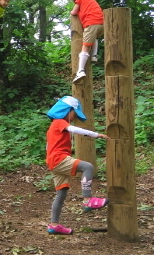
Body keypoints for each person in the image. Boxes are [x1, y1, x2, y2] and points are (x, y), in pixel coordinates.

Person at [45, 96, 110, 235]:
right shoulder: (59, 122)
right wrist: (96, 134)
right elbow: (74, 129)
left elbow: (48, 145)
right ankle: (87, 200)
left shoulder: (52, 127)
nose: (74, 117)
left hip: (52, 161)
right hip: (58, 158)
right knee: (88, 167)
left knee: (61, 193)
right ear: (66, 110)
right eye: (74, 113)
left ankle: (54, 225)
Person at [71, 0, 104, 83]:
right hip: (102, 24)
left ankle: (80, 71)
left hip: (91, 23)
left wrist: (72, 13)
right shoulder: (92, 0)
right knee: (94, 38)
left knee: (85, 47)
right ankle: (94, 56)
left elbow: (74, 12)